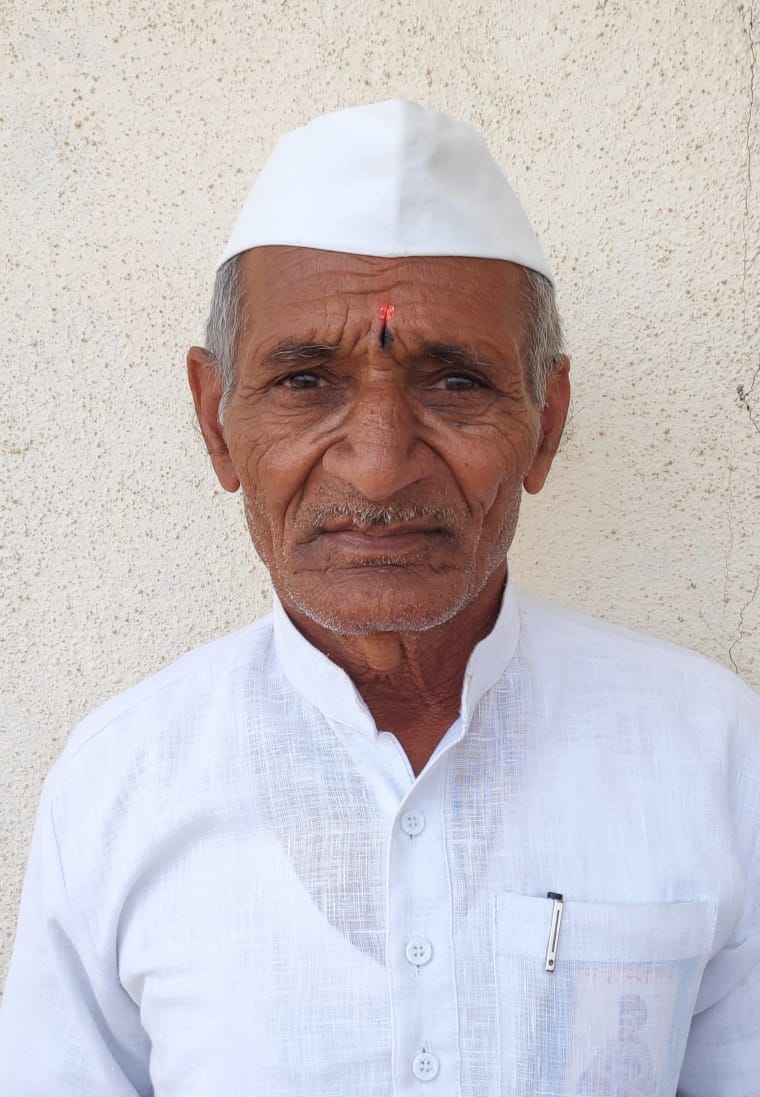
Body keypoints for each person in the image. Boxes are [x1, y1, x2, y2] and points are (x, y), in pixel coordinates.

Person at [0, 99, 758, 1096]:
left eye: (455, 383)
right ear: (216, 422)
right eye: (305, 380)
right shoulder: (119, 787)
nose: (379, 465)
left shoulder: (713, 755)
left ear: (547, 421)